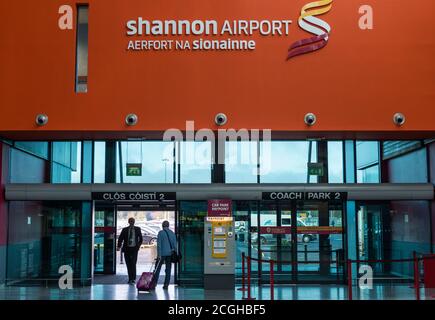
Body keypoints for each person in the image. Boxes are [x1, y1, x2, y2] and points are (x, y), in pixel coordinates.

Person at [117, 217, 143, 284]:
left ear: (134, 222)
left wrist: (138, 246)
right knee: (128, 264)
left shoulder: (137, 229)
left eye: (132, 221)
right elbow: (120, 238)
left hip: (134, 249)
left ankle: (133, 279)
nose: (131, 222)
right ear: (128, 222)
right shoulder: (125, 230)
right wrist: (118, 246)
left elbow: (141, 239)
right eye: (130, 221)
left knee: (133, 264)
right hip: (127, 249)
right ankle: (130, 279)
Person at [155, 220, 177, 289]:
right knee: (168, 269)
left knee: (157, 269)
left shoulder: (160, 233)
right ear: (168, 225)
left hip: (162, 254)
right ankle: (166, 284)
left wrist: (159, 255)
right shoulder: (172, 233)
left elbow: (159, 245)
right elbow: (175, 245)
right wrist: (176, 253)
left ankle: (154, 283)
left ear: (162, 226)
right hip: (170, 254)